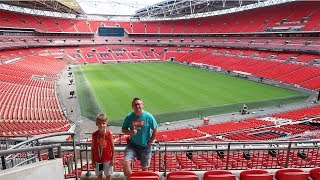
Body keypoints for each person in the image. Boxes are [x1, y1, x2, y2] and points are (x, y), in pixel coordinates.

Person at [122, 97, 158, 177]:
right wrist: (130, 132)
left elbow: (155, 129)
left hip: (145, 146)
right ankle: (131, 178)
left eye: (139, 104)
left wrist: (150, 141)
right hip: (133, 145)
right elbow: (123, 130)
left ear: (142, 105)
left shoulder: (148, 116)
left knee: (144, 169)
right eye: (135, 104)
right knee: (125, 163)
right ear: (132, 106)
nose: (137, 106)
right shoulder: (129, 117)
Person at [91, 113, 114, 180]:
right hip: (98, 160)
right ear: (96, 124)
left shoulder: (109, 134)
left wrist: (112, 159)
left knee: (108, 175)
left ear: (106, 124)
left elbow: (112, 147)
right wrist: (92, 160)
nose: (101, 125)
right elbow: (92, 148)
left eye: (103, 123)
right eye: (99, 123)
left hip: (107, 160)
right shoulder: (94, 135)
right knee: (99, 175)